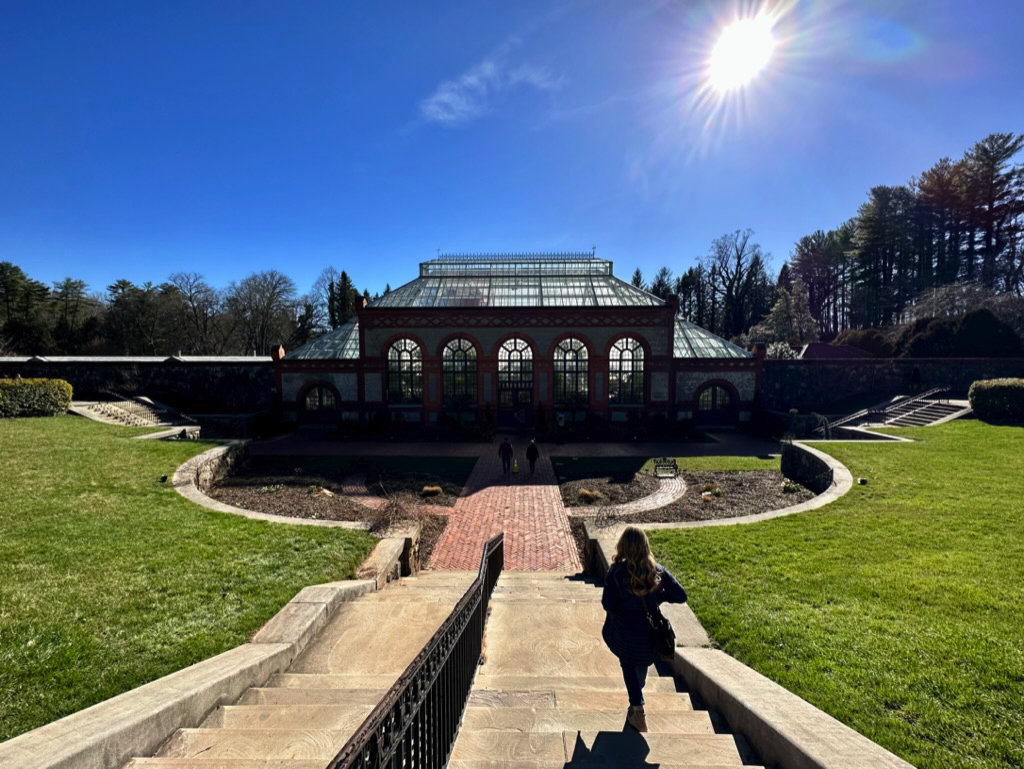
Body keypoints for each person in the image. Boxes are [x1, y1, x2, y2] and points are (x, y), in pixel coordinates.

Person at [601, 526, 687, 733]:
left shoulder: (617, 572)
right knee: (640, 665)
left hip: (626, 632)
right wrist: (657, 597)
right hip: (651, 635)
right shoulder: (657, 571)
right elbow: (680, 596)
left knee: (629, 665)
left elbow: (608, 604)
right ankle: (636, 701)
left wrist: (624, 605)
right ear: (644, 546)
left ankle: (638, 708)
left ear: (623, 546)